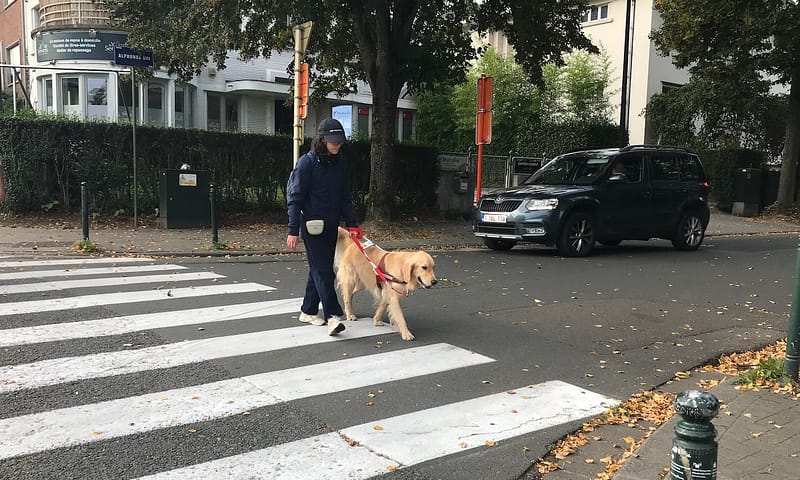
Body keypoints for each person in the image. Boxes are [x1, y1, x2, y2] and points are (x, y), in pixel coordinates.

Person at [286, 118, 363, 336]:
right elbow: (295, 198)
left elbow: (344, 198)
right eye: (332, 141)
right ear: (322, 139)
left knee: (319, 269)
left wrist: (352, 224)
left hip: (331, 226)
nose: (337, 145)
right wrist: (293, 230)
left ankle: (308, 310)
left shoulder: (339, 164)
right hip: (311, 226)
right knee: (325, 270)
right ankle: (332, 316)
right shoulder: (306, 163)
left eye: (339, 141)